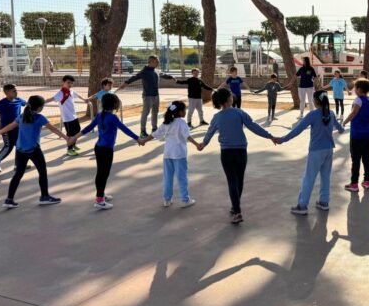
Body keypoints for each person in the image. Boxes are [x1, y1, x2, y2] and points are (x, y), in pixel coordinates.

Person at [199, 88, 275, 224]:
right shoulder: (239, 112)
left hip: (226, 153)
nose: (232, 97)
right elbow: (253, 126)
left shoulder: (217, 117)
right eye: (231, 95)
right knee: (239, 180)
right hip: (241, 152)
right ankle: (236, 208)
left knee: (232, 181)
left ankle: (236, 210)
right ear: (228, 99)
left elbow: (209, 133)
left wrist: (203, 144)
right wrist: (270, 136)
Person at [69, 93, 144, 210]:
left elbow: (88, 128)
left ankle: (101, 194)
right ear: (114, 105)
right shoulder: (113, 118)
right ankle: (99, 200)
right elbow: (125, 129)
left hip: (98, 148)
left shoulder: (99, 115)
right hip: (106, 150)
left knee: (100, 173)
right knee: (103, 174)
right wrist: (138, 138)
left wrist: (74, 137)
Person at [276, 90, 345, 215]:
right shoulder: (331, 113)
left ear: (316, 101)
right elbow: (340, 129)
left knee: (309, 178)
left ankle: (302, 206)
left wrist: (283, 139)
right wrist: (341, 128)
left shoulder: (313, 115)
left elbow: (298, 129)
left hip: (316, 151)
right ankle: (324, 202)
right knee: (325, 177)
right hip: (329, 150)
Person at [0, 95, 68, 208]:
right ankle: (44, 197)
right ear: (39, 107)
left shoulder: (22, 116)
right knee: (42, 172)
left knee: (18, 174)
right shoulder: (40, 118)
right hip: (34, 150)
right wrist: (67, 138)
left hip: (20, 150)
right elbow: (53, 129)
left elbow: (11, 126)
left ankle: (9, 199)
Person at [141, 101, 199, 208]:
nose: (185, 112)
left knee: (168, 177)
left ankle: (167, 200)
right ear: (180, 112)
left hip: (167, 154)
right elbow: (187, 136)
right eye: (184, 110)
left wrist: (144, 140)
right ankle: (185, 200)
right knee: (182, 177)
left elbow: (155, 134)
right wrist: (197, 144)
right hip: (179, 154)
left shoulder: (166, 123)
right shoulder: (181, 123)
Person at [117, 55, 172, 138]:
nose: (158, 63)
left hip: (156, 96)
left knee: (155, 112)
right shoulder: (144, 71)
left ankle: (154, 128)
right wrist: (126, 83)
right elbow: (135, 77)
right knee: (145, 113)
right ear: (150, 62)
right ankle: (142, 131)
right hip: (147, 96)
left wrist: (171, 77)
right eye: (156, 62)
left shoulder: (156, 70)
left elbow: (162, 74)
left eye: (158, 62)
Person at [342, 79, 369, 192]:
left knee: (356, 159)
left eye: (355, 88)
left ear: (359, 89)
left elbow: (353, 113)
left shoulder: (358, 100)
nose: (354, 90)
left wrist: (344, 122)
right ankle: (367, 181)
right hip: (368, 133)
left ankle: (354, 184)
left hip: (357, 134)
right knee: (367, 158)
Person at [45, 75, 89, 156]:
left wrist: (84, 100)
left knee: (77, 130)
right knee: (70, 133)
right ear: (63, 82)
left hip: (74, 116)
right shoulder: (60, 93)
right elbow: (51, 99)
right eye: (68, 82)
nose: (70, 84)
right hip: (67, 118)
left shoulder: (71, 91)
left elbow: (78, 95)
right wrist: (40, 102)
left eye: (71, 83)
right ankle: (69, 149)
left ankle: (73, 145)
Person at [0, 83, 27, 172]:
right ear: (7, 93)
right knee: (8, 146)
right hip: (5, 129)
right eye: (14, 91)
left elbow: (27, 104)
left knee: (20, 145)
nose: (16, 92)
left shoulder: (19, 100)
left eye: (16, 90)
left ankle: (18, 165)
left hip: (17, 128)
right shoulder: (2, 103)